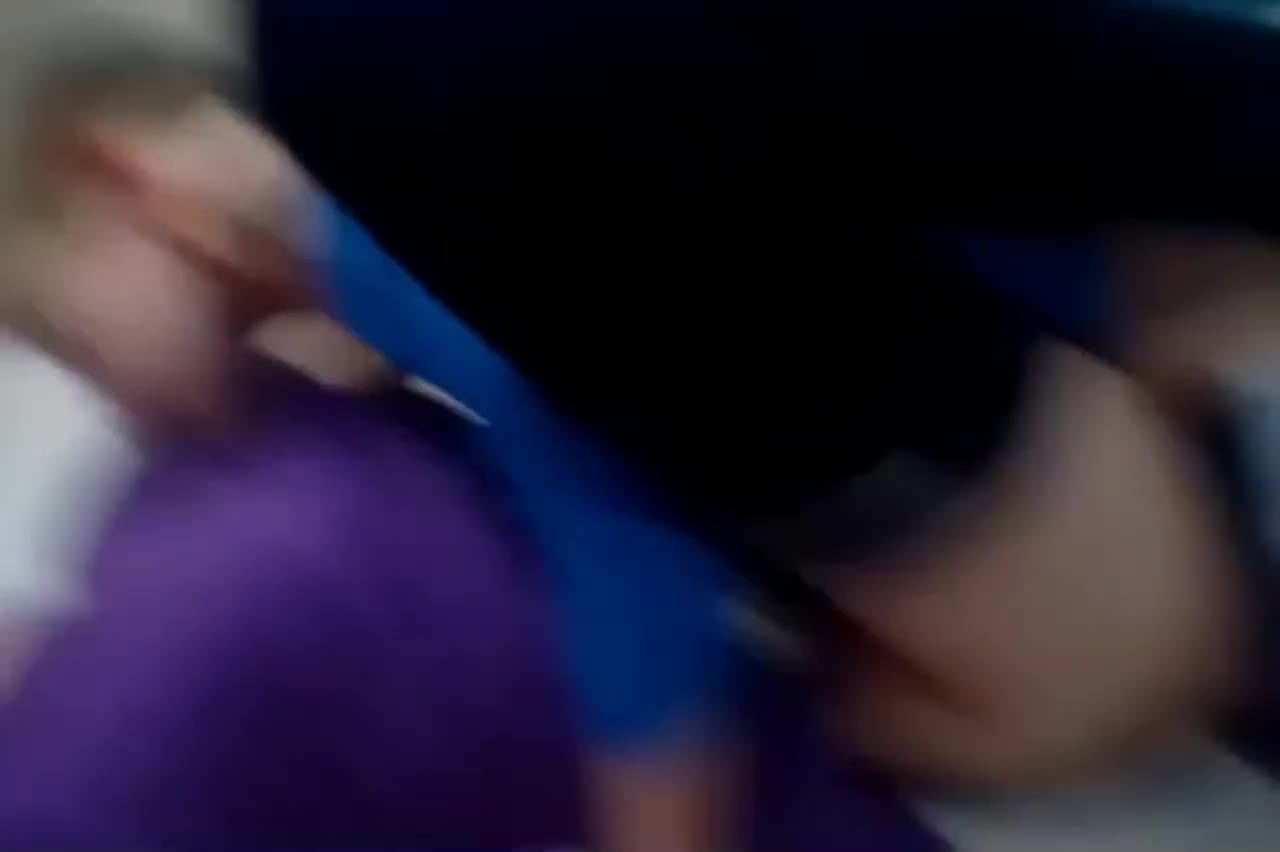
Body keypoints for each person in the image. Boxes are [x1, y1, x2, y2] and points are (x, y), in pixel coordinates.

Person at [2, 2, 1278, 848]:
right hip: (1042, 286)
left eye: (63, 337)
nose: (104, 394)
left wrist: (655, 815)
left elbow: (613, 530)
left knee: (934, 718)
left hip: (1049, 337)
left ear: (121, 177)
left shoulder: (396, 213)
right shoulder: (353, 261)